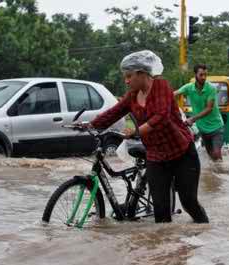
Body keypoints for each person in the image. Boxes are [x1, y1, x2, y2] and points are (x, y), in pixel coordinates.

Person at [78, 50, 209, 224]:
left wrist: (136, 131)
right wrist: (91, 124)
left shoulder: (161, 85)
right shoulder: (132, 95)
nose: (126, 81)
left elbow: (161, 116)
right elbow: (115, 112)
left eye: (129, 76)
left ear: (142, 73)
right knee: (161, 211)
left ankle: (203, 232)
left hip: (182, 153)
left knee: (189, 202)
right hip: (156, 156)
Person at [174, 64, 224, 161]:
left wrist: (192, 119)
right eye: (201, 75)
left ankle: (222, 173)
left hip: (217, 127)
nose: (203, 77)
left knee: (217, 153)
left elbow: (209, 108)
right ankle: (213, 175)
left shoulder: (211, 89)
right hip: (203, 129)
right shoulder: (189, 87)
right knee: (210, 156)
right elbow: (174, 94)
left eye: (205, 75)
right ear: (195, 75)